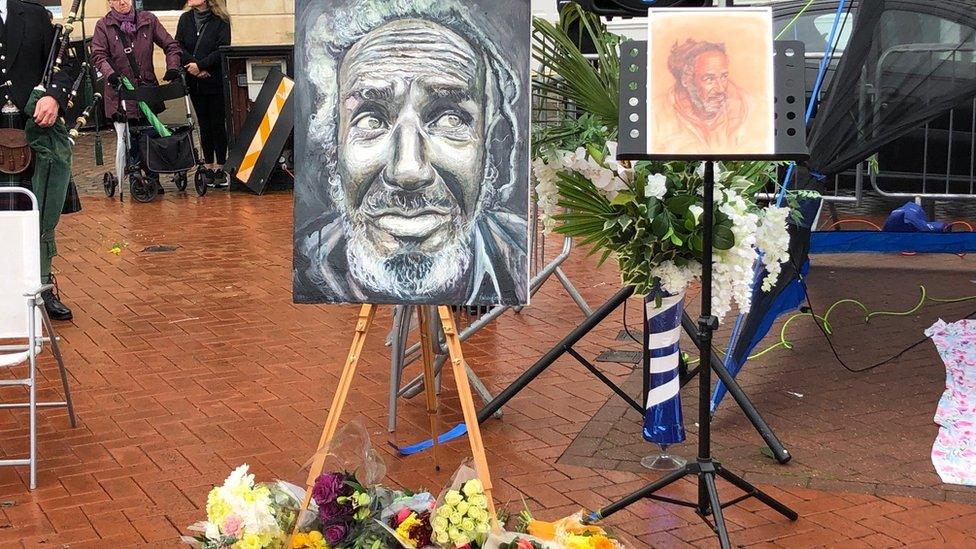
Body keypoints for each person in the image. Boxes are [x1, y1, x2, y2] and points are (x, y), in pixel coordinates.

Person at [293, 0, 529, 307]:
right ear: (332, 149)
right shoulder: (306, 266)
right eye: (371, 120)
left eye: (449, 118)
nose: (408, 170)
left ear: (496, 149)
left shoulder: (518, 261)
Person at [1, 0, 80, 320]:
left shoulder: (33, 14)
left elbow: (68, 66)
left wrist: (54, 97)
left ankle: (42, 288)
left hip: (34, 132)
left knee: (39, 215)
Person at [91, 0, 181, 192]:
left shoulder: (148, 20)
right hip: (120, 92)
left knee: (150, 134)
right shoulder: (103, 25)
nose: (122, 1)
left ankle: (152, 177)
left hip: (147, 90)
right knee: (129, 137)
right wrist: (110, 73)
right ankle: (134, 178)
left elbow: (171, 45)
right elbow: (98, 55)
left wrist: (173, 67)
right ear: (110, 3)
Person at [652, 39, 754, 153]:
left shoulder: (748, 107)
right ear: (686, 79)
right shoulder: (656, 114)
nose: (720, 89)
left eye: (724, 76)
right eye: (709, 79)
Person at [175, 0, 231, 187]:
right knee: (203, 123)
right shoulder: (185, 19)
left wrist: (202, 65)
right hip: (195, 80)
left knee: (217, 123)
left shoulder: (221, 20)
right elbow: (179, 46)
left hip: (214, 79)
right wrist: (193, 66)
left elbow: (222, 49)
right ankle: (208, 164)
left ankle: (221, 166)